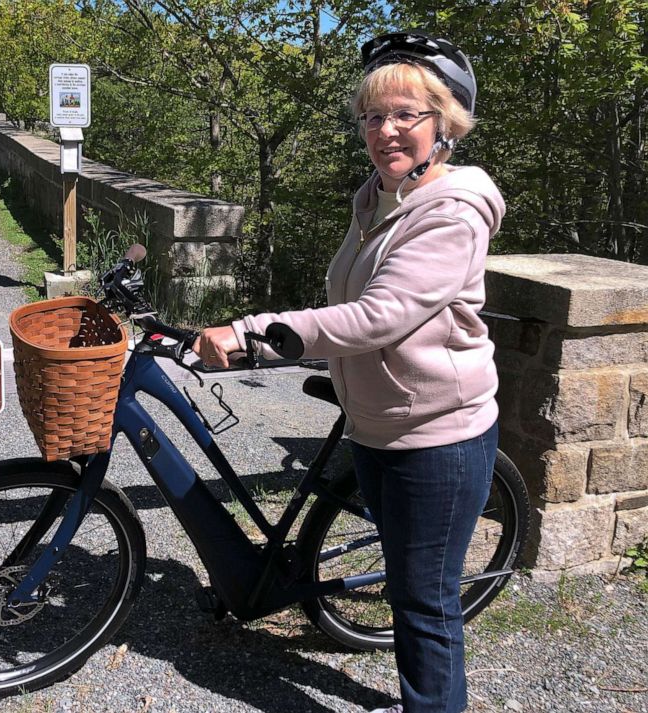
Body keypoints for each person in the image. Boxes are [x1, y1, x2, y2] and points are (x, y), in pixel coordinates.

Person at [194, 31, 504, 713]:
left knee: (424, 603)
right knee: (405, 581)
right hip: (377, 423)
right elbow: (348, 298)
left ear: (446, 123)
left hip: (438, 437)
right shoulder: (376, 199)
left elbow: (380, 316)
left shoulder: (452, 211)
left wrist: (252, 336)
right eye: (372, 116)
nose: (385, 130)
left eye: (405, 115)